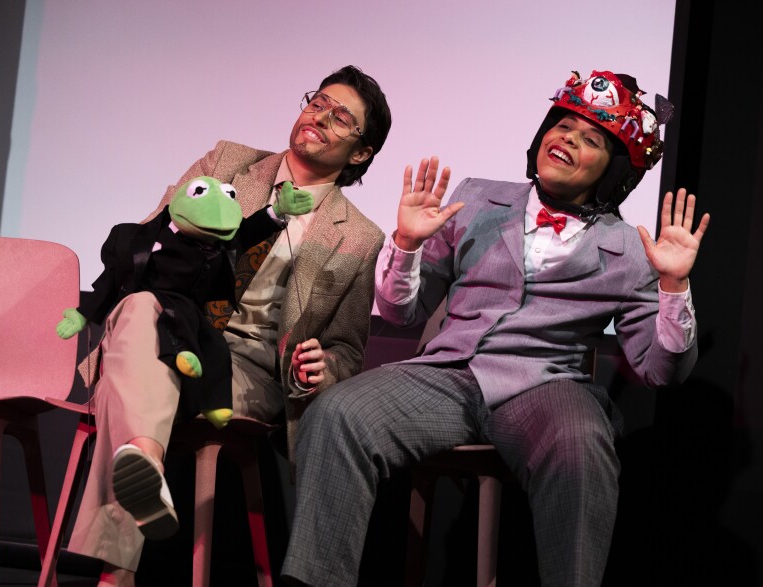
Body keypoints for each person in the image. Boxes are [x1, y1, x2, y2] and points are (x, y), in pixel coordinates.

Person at [281, 70, 710, 587]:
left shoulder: (631, 252)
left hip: (546, 386)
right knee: (338, 412)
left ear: (615, 170)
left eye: (590, 138)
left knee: (581, 445)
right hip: (447, 375)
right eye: (563, 126)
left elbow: (661, 370)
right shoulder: (478, 198)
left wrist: (673, 286)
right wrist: (408, 244)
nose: (567, 139)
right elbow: (402, 313)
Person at [66, 64, 392, 586]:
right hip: (167, 324)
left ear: (360, 153)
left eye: (340, 118)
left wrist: (321, 366)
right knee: (138, 312)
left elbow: (348, 350)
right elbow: (152, 242)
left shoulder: (357, 236)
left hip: (246, 371)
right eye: (317, 103)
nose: (320, 117)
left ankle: (116, 565)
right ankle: (143, 464)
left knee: (133, 379)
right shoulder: (228, 161)